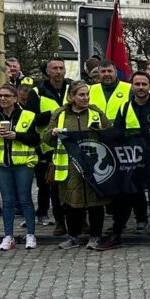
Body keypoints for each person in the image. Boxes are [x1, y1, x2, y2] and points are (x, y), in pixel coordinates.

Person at [100, 71, 150, 250]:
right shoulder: (124, 108)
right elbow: (117, 135)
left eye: (144, 84)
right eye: (137, 84)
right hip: (135, 163)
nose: (140, 88)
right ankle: (116, 235)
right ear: (132, 86)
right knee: (125, 200)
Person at [48, 82, 110, 250]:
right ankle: (73, 236)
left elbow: (109, 134)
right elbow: (46, 138)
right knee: (71, 204)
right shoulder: (60, 114)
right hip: (70, 167)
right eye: (81, 95)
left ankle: (96, 236)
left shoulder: (95, 112)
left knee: (96, 203)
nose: (86, 98)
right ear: (72, 97)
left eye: (87, 94)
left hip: (93, 165)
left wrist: (101, 131)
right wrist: (53, 133)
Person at [0, 84, 40, 251]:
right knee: (7, 201)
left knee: (25, 199)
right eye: (0, 95)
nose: (3, 98)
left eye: (7, 96)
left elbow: (35, 139)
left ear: (15, 99)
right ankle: (8, 236)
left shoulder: (28, 115)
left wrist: (17, 136)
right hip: (2, 164)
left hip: (23, 164)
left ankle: (30, 234)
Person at [33, 58, 70, 233]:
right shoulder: (37, 91)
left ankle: (77, 219)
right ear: (47, 71)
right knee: (53, 187)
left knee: (75, 185)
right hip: (49, 148)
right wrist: (52, 113)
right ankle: (60, 221)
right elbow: (31, 118)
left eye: (61, 68)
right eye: (54, 68)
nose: (58, 71)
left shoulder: (72, 87)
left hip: (72, 145)